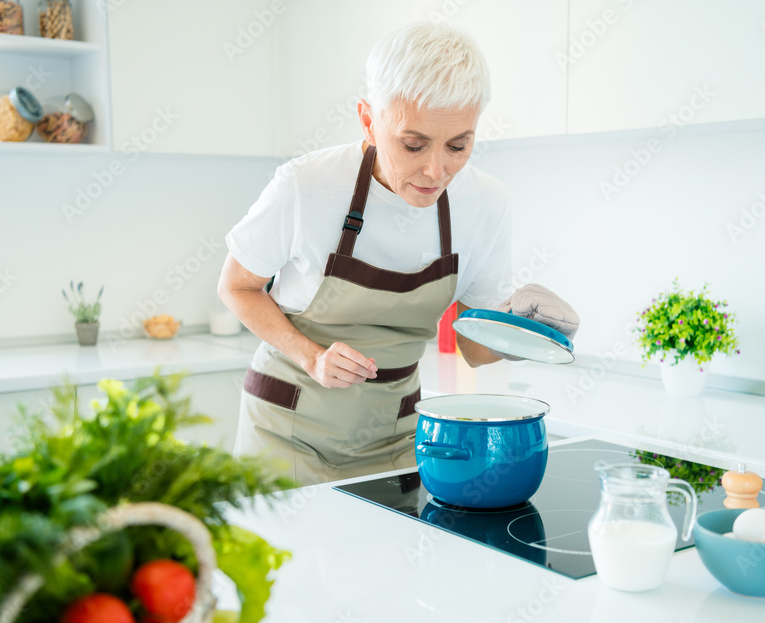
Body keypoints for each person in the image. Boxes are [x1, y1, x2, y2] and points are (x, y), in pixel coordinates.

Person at [218, 23, 579, 485]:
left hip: (396, 435)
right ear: (368, 119)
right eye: (413, 144)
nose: (436, 169)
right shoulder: (307, 186)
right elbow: (236, 286)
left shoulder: (484, 203)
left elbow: (472, 347)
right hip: (287, 429)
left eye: (458, 145)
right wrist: (312, 357)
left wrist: (523, 332)